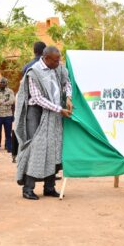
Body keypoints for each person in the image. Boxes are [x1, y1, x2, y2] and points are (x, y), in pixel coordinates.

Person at [15, 46, 72, 200]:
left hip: (54, 113)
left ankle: (49, 187)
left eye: (59, 59)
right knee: (36, 149)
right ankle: (28, 188)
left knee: (53, 148)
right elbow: (38, 98)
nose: (58, 63)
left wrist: (68, 97)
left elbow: (67, 82)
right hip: (37, 113)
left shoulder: (57, 68)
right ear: (46, 58)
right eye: (55, 60)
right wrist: (59, 109)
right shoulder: (34, 72)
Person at [0, 77, 15, 157]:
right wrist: (4, 101)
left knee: (8, 133)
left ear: (6, 83)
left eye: (4, 82)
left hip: (8, 115)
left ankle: (9, 148)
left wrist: (0, 103)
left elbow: (12, 101)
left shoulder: (10, 91)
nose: (2, 84)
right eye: (1, 82)